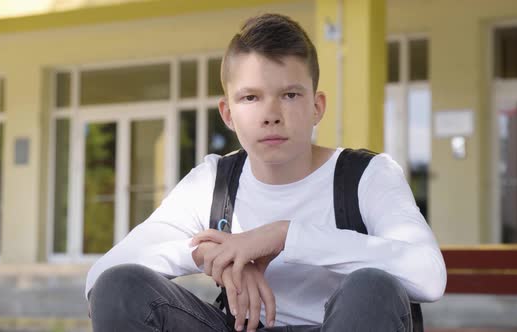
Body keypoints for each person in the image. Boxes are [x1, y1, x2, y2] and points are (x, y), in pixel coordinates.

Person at [86, 13, 446, 332]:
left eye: (289, 95)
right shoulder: (213, 182)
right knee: (120, 287)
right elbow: (100, 278)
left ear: (317, 106)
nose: (271, 114)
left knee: (371, 288)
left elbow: (429, 276)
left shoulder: (367, 175)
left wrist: (284, 236)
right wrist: (211, 255)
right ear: (227, 114)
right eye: (251, 98)